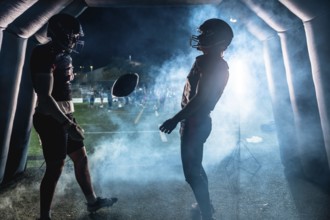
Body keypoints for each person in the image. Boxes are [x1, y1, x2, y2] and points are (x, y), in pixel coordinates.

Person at [30, 13, 117, 220]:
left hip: (64, 116)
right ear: (60, 33)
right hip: (51, 119)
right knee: (55, 168)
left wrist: (69, 120)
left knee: (81, 158)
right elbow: (45, 97)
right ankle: (44, 216)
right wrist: (68, 125)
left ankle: (92, 202)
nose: (75, 39)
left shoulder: (63, 55)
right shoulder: (44, 54)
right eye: (72, 35)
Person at [159, 18, 233, 220]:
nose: (199, 37)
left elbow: (200, 98)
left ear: (215, 39)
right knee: (196, 168)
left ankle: (207, 213)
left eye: (204, 34)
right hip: (197, 120)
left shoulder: (211, 63)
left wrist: (175, 119)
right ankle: (205, 204)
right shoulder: (209, 61)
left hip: (195, 121)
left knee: (191, 173)